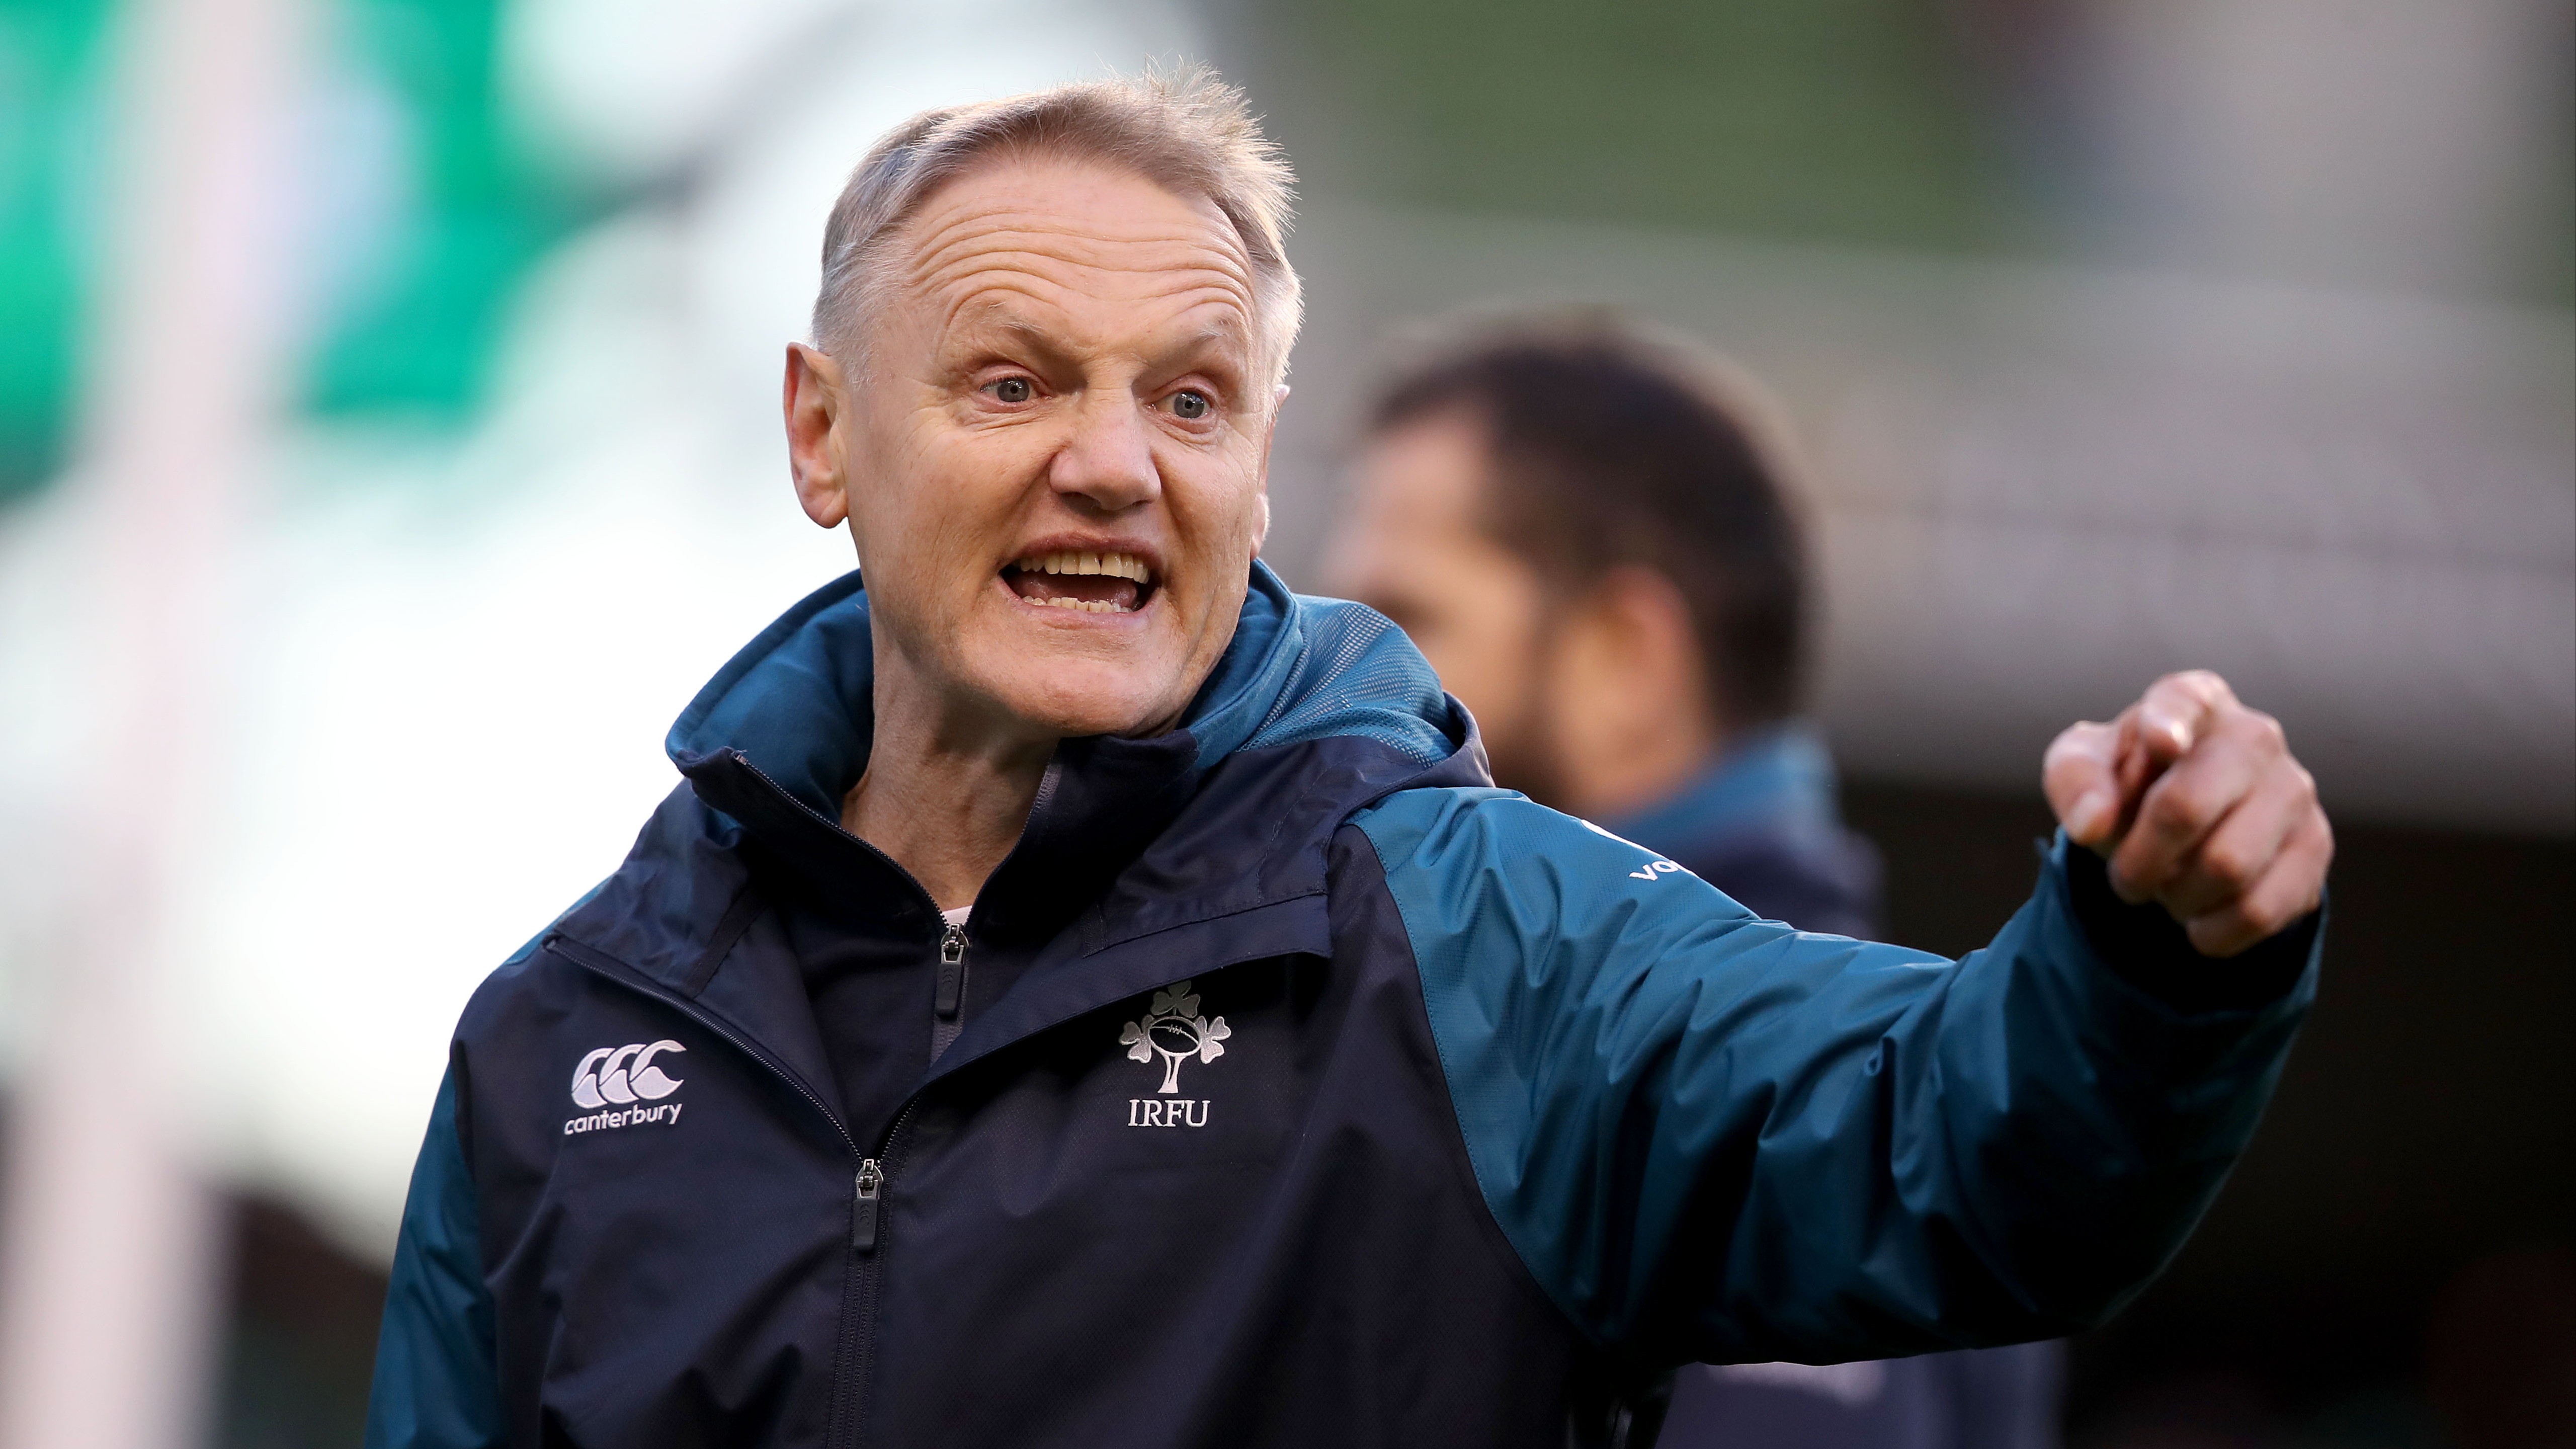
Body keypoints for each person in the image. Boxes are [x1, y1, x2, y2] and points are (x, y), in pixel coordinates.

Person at [363, 71, 2332, 1449]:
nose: (1115, 460)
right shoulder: (565, 1048)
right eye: (1013, 379)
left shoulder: (1478, 934)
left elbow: (1955, 1149)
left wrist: (2147, 957)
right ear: (820, 436)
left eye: (1190, 396)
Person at [1325, 320, 2066, 1446]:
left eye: (1402, 621)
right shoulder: (1854, 1069)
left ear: (1628, 655)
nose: (1334, 691)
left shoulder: (1780, 1102)